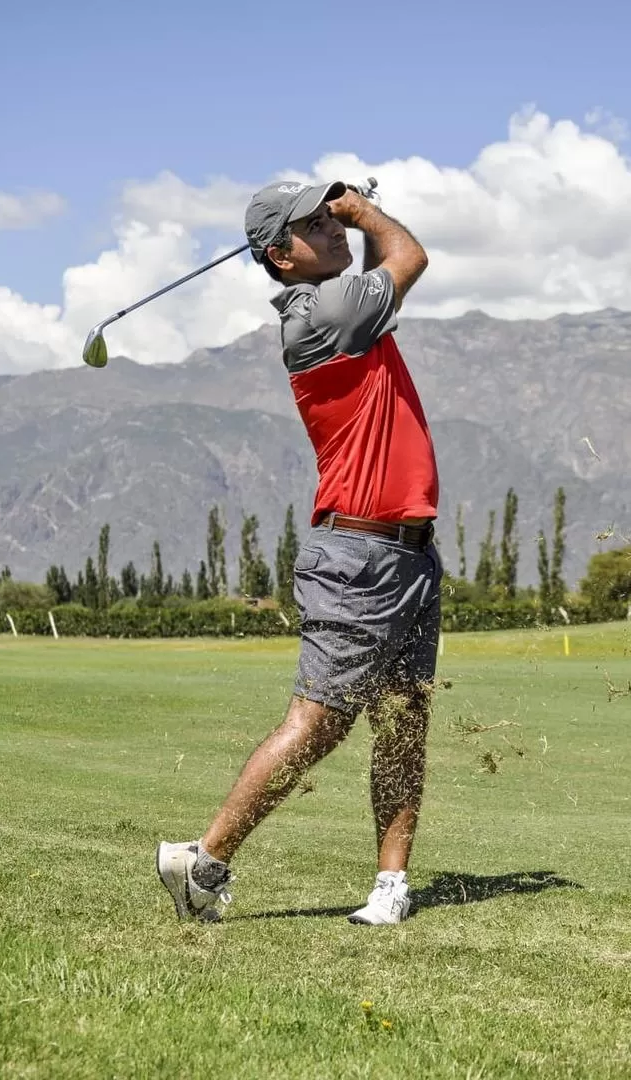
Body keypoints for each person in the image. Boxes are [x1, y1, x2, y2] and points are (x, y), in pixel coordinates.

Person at [157, 178, 441, 926]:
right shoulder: (322, 312)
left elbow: (386, 262)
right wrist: (363, 210)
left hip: (407, 554)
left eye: (330, 216)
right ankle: (203, 860)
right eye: (314, 225)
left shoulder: (345, 309)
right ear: (280, 257)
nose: (333, 228)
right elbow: (407, 255)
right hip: (357, 555)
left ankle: (389, 886)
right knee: (319, 722)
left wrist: (346, 213)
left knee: (402, 721)